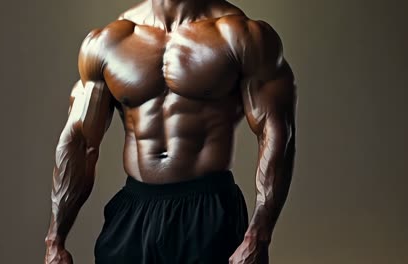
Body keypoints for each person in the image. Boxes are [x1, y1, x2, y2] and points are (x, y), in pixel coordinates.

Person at [44, 0, 297, 263]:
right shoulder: (108, 42)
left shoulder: (240, 36)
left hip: (208, 211)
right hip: (134, 211)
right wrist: (55, 239)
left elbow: (277, 132)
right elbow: (80, 141)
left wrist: (258, 234)